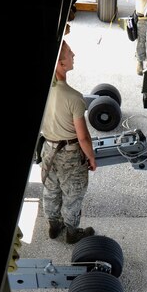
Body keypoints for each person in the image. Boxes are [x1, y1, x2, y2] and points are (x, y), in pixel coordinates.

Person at [40, 40, 97, 243]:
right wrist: (91, 157)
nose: (74, 55)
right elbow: (83, 137)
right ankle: (72, 233)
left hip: (48, 150)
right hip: (70, 155)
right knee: (73, 194)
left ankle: (54, 226)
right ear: (61, 64)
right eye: (70, 53)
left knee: (51, 189)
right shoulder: (74, 98)